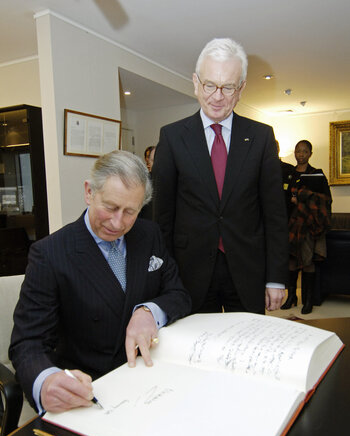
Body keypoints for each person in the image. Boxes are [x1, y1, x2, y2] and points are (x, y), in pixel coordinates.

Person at [9, 150, 191, 413]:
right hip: (92, 391)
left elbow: (178, 294)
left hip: (153, 378)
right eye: (110, 207)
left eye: (131, 211)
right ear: (89, 192)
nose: (118, 223)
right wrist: (45, 381)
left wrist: (148, 311)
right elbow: (29, 342)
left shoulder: (148, 234)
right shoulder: (50, 254)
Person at [152, 38, 288, 315]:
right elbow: (161, 216)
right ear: (195, 82)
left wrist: (276, 277)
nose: (217, 96)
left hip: (249, 271)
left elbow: (275, 214)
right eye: (210, 85)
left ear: (241, 89)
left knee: (248, 349)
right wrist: (163, 277)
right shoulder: (172, 137)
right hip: (189, 273)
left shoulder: (261, 137)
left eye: (228, 87)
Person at [281, 140, 332, 314]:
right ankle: (292, 296)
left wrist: (301, 197)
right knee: (291, 261)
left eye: (304, 151)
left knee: (308, 261)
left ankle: (308, 300)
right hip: (290, 224)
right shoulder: (288, 173)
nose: (300, 155)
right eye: (298, 151)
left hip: (309, 225)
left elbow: (325, 199)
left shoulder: (316, 174)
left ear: (310, 153)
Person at [276, 139, 295, 215]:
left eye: (276, 147)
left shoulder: (289, 169)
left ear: (279, 149)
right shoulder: (261, 169)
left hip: (287, 211)